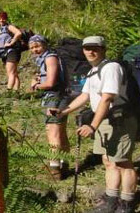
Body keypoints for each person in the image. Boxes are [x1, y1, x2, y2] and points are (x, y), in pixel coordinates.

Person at [51, 36, 137, 213]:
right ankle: (111, 200)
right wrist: (64, 111)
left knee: (123, 163)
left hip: (119, 120)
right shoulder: (93, 71)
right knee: (108, 161)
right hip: (105, 121)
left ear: (103, 49)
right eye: (87, 48)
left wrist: (92, 126)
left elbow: (107, 98)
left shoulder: (110, 68)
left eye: (95, 48)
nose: (91, 51)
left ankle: (126, 203)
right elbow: (85, 96)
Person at [28, 34, 70, 180]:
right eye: (32, 47)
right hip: (60, 97)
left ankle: (55, 168)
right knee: (60, 132)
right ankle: (64, 164)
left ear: (44, 45)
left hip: (54, 98)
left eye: (37, 46)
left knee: (53, 133)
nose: (35, 50)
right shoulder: (49, 58)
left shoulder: (50, 58)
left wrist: (36, 86)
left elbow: (51, 83)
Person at [0, 11, 22, 90]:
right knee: (13, 73)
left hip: (12, 51)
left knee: (11, 73)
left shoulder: (9, 27)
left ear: (6, 19)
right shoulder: (1, 29)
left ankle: (9, 91)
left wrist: (11, 43)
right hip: (4, 52)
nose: (1, 20)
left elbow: (18, 33)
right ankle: (16, 91)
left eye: (3, 19)